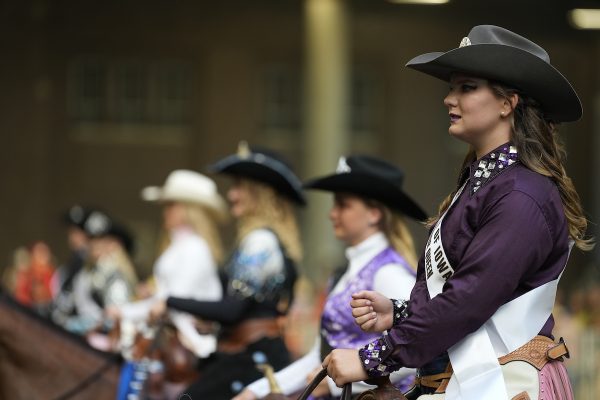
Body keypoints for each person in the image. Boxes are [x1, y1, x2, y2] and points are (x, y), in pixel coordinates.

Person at [323, 25, 592, 400]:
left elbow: (472, 298)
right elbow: (471, 291)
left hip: (502, 383)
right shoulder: (483, 183)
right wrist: (401, 313)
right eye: (452, 87)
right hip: (467, 381)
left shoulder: (521, 192)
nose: (449, 99)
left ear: (506, 102)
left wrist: (373, 358)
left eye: (466, 87)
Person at [234, 155, 426, 400]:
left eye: (343, 205)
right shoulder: (349, 271)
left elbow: (416, 353)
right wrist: (255, 391)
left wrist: (338, 383)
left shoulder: (388, 272)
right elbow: (319, 357)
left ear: (374, 214)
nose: (332, 214)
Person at [151, 142, 305, 400]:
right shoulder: (262, 239)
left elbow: (232, 310)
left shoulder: (260, 242)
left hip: (254, 358)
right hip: (250, 352)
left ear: (260, 193)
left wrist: (168, 300)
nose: (231, 194)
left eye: (239, 187)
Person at [107, 170, 227, 400]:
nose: (166, 211)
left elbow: (173, 300)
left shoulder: (194, 248)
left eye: (171, 205)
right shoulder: (183, 245)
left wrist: (126, 311)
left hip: (186, 342)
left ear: (186, 209)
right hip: (170, 335)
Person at [66, 210, 138, 336]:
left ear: (114, 244)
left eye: (101, 240)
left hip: (99, 339)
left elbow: (115, 318)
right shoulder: (86, 271)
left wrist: (87, 325)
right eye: (91, 239)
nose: (94, 244)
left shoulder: (115, 276)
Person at [51, 205, 92, 327]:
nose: (73, 238)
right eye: (72, 233)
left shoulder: (94, 268)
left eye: (79, 233)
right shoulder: (68, 267)